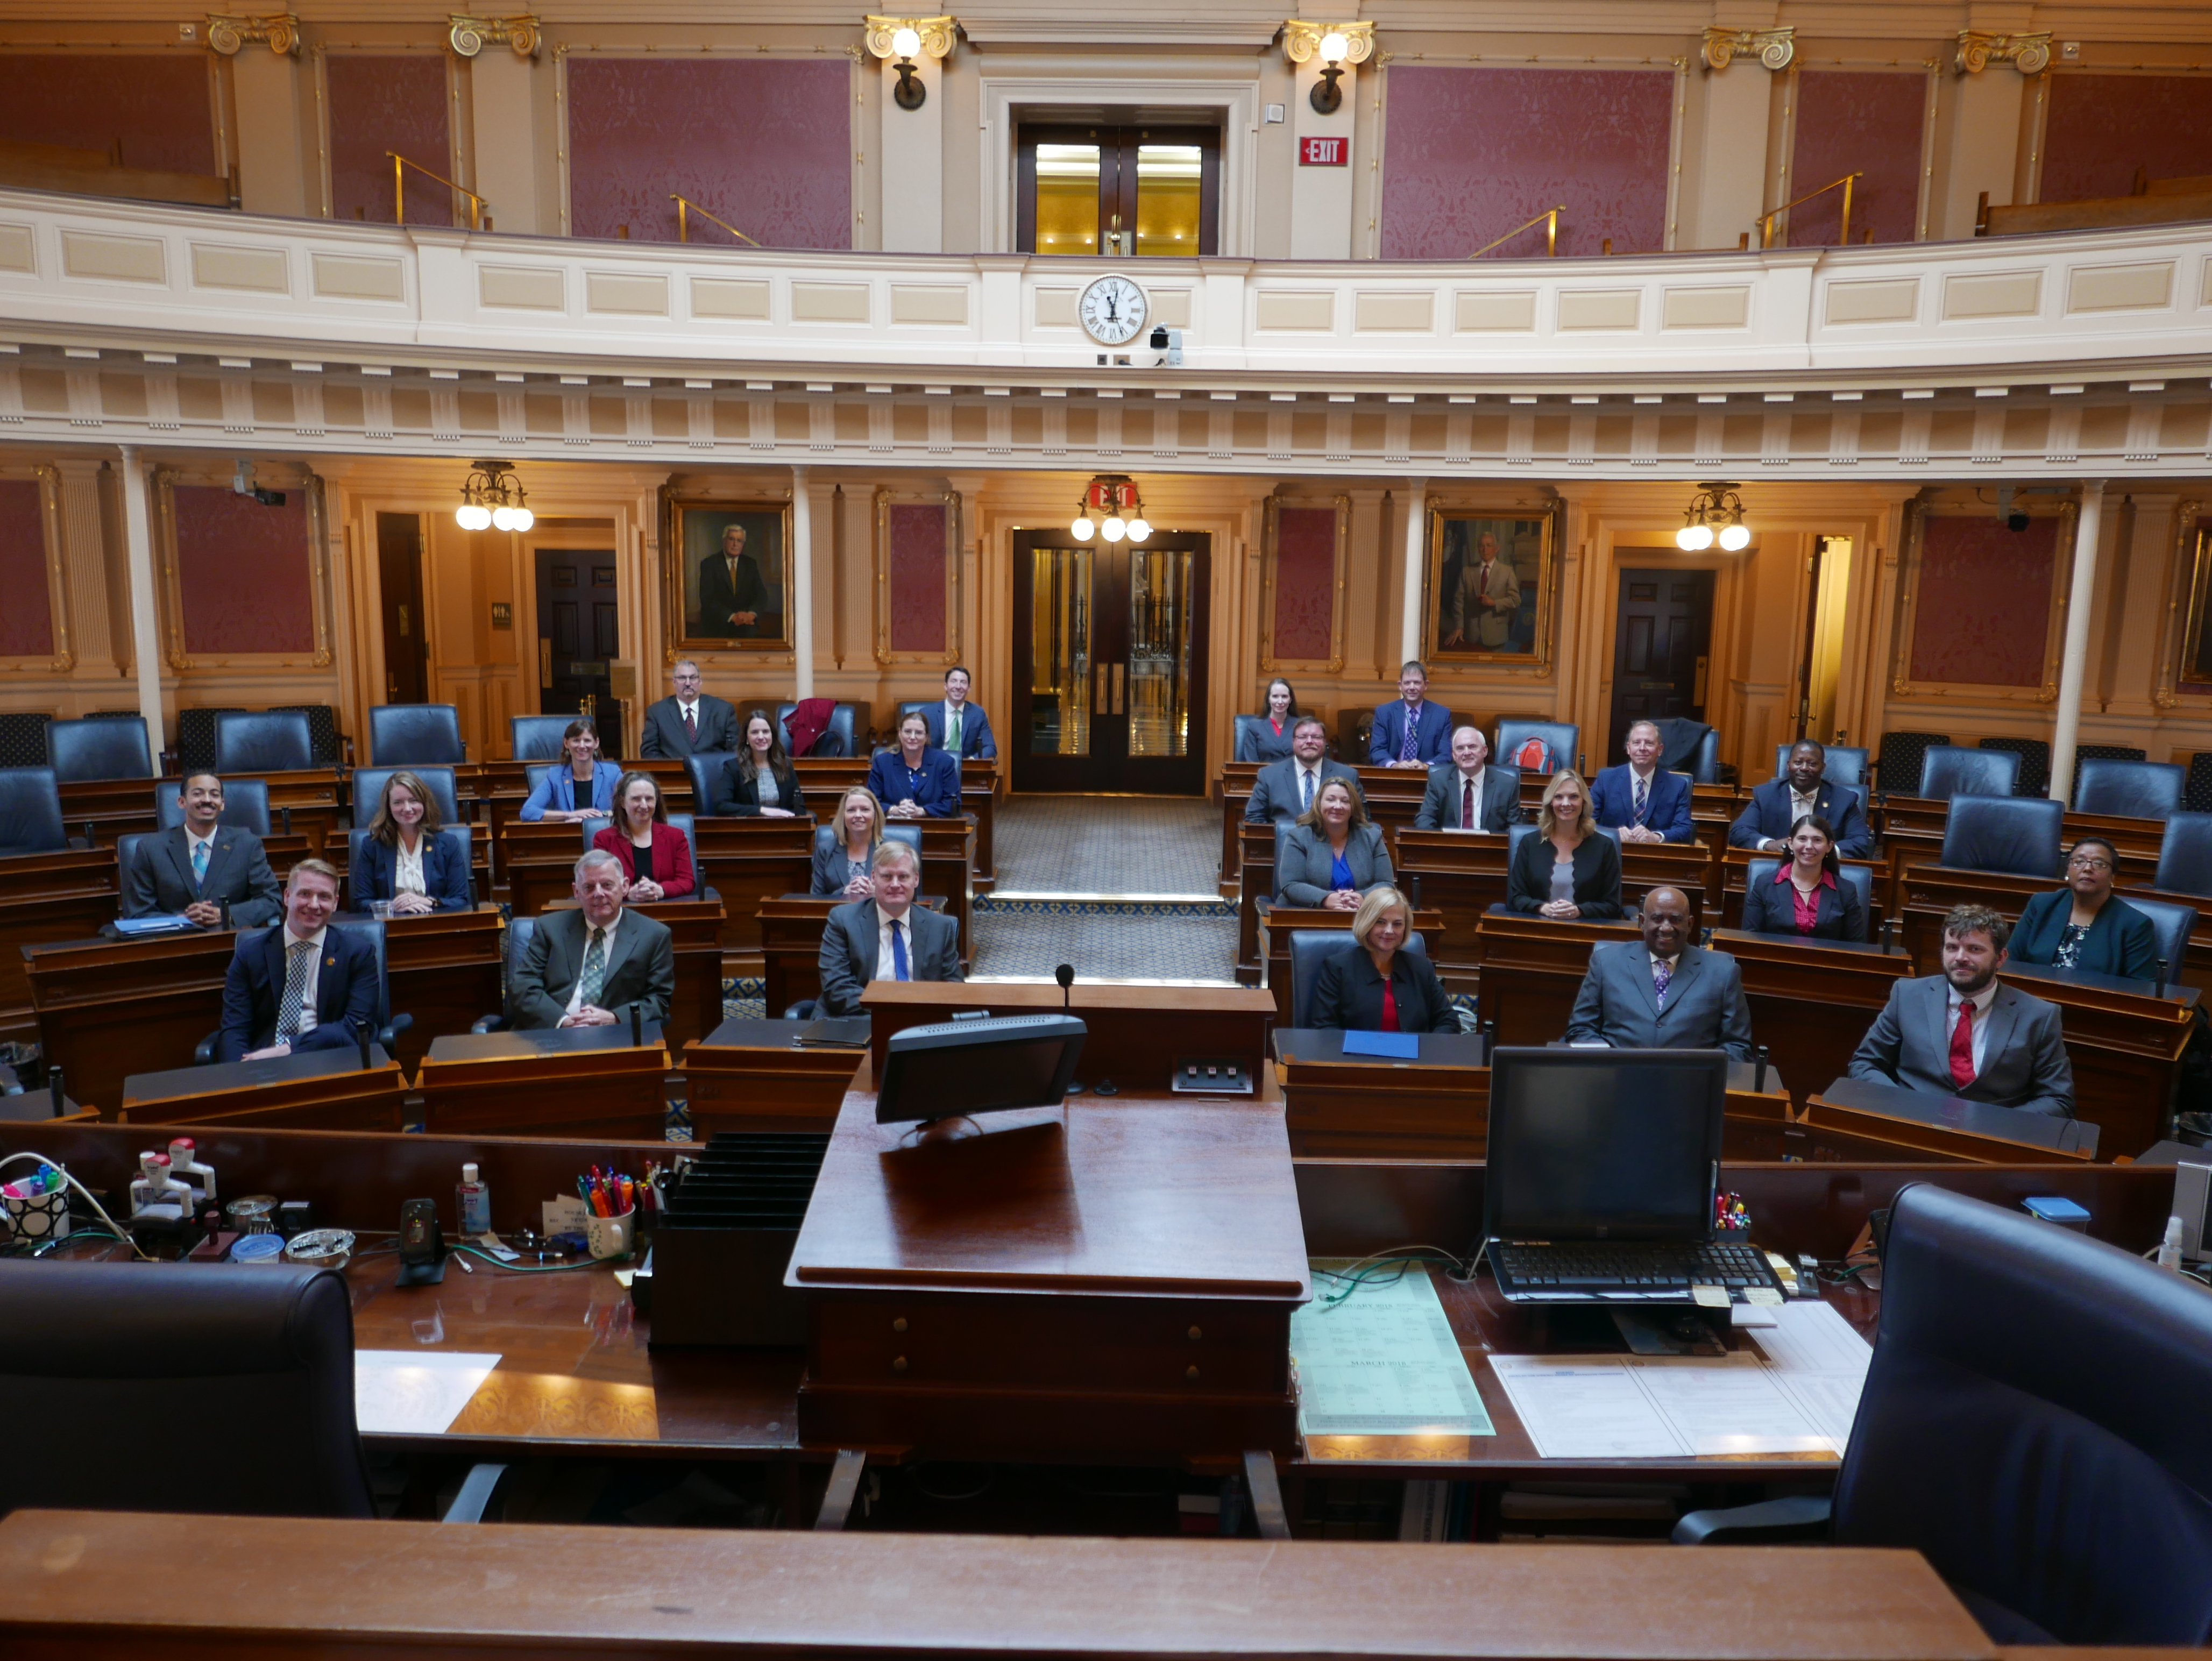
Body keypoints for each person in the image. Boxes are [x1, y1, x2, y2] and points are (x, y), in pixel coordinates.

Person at [1848, 904, 2075, 1117]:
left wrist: (1997, 1125)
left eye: (1974, 949)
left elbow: (2058, 1099)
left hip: (1990, 1141)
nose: (1960, 958)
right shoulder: (1907, 995)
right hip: (1911, 1124)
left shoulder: (2039, 1016)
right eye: (1952, 948)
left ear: (2000, 958)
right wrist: (1904, 1104)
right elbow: (1864, 1064)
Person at [216, 860, 379, 1062]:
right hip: (262, 1064)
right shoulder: (250, 953)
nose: (314, 905)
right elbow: (235, 1029)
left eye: (324, 897)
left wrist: (288, 1049)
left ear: (336, 903)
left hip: (330, 1060)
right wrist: (239, 1071)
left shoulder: (358, 953)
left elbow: (356, 1026)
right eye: (305, 894)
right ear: (287, 896)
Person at [1566, 886, 1754, 1059]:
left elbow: (1737, 1045)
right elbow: (1581, 1028)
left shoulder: (1723, 972)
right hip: (1615, 1079)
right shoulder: (1606, 962)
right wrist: (1609, 1063)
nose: (1666, 928)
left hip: (1689, 1085)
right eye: (1657, 919)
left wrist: (1701, 1071)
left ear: (1690, 924)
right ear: (1642, 922)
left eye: (1675, 920)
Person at [511, 849, 675, 1031]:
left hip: (616, 1036)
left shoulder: (654, 935)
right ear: (577, 891)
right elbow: (523, 985)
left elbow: (658, 999)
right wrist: (562, 1021)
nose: (599, 893)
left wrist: (615, 1018)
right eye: (589, 887)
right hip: (552, 1033)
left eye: (607, 885)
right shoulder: (549, 929)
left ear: (625, 886)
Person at [817, 841, 962, 1016]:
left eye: (903, 877)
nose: (895, 884)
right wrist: (894, 1008)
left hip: (919, 1021)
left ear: (916, 879)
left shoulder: (941, 927)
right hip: (858, 1018)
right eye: (887, 876)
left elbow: (954, 989)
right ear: (873, 877)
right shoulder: (843, 920)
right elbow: (837, 989)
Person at [124, 772, 281, 928]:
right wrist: (181, 920)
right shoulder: (151, 849)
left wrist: (226, 914)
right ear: (182, 802)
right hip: (174, 943)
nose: (207, 800)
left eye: (214, 795)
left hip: (231, 941)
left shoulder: (247, 844)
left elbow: (271, 900)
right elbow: (139, 912)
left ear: (222, 803)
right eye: (198, 794)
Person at [1309, 885, 1458, 1034]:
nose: (1389, 931)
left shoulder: (1421, 968)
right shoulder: (1337, 968)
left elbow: (1448, 1020)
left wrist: (1426, 1051)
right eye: (1380, 922)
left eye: (1397, 924)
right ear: (1367, 923)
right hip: (1356, 1056)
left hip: (1413, 1056)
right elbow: (1324, 1027)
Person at [2008, 836, 2159, 979]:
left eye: (2100, 864)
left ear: (2112, 877)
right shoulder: (2042, 905)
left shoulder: (2135, 925)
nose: (2087, 868)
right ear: (2068, 870)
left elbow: (2141, 988)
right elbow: (2011, 961)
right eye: (2079, 861)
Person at [1507, 769, 1623, 919]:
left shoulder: (1604, 846)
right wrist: (1544, 908)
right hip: (1536, 928)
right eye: (1559, 797)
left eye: (1574, 797)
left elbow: (1613, 904)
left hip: (1586, 931)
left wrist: (1579, 911)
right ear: (1551, 802)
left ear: (1584, 801)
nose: (1566, 803)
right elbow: (1516, 898)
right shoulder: (1529, 843)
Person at [1728, 740, 1872, 860]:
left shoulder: (1844, 800)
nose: (1804, 768)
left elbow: (1862, 842)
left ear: (1823, 768)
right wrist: (1769, 845)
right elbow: (1739, 831)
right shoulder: (1766, 795)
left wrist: (1822, 851)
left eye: (1812, 764)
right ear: (1788, 765)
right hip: (1775, 869)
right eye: (1798, 762)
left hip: (1824, 871)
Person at [352, 769, 469, 914]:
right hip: (390, 927)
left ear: (425, 803)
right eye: (398, 802)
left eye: (414, 800)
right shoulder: (372, 845)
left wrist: (429, 902)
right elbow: (361, 902)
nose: (407, 809)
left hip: (438, 925)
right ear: (388, 807)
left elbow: (461, 900)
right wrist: (394, 907)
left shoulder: (448, 843)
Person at [1740, 815, 1868, 942]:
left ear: (1829, 846)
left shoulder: (1846, 890)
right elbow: (1750, 937)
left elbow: (1856, 945)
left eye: (1817, 840)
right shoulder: (1764, 885)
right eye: (1802, 839)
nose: (1809, 846)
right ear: (1790, 843)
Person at [1276, 778, 1394, 910]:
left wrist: (1363, 898)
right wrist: (1326, 899)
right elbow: (1291, 884)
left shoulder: (1372, 838)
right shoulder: (1299, 837)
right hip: (1308, 915)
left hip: (1362, 915)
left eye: (1345, 801)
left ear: (1353, 807)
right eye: (1331, 800)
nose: (1338, 806)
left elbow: (1386, 884)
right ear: (1319, 804)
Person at [591, 770, 694, 901]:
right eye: (636, 799)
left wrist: (660, 890)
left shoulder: (676, 836)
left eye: (649, 799)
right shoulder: (604, 839)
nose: (644, 805)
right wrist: (628, 893)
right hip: (622, 912)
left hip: (667, 909)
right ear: (623, 802)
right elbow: (598, 883)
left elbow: (687, 881)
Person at [1590, 719, 1693, 843]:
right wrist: (1614, 834)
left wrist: (1656, 837)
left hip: (1654, 857)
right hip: (1612, 853)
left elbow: (1685, 829)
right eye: (1637, 743)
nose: (1642, 748)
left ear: (1660, 750)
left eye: (1649, 743)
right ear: (1629, 748)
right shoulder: (1606, 779)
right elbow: (1587, 822)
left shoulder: (1677, 786)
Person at [1244, 716, 1357, 823]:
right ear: (1293, 742)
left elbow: (1360, 820)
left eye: (1316, 737)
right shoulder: (1269, 776)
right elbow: (1254, 819)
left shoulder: (1348, 775)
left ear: (1324, 742)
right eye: (1303, 737)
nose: (1309, 741)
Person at [1413, 725, 1521, 833]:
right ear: (1454, 755)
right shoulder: (1439, 780)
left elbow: (1514, 829)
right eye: (1460, 748)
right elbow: (1425, 819)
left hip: (1490, 847)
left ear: (1485, 751)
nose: (1466, 753)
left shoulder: (1507, 784)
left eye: (1472, 747)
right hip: (1449, 846)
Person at [519, 720, 622, 822]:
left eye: (587, 741)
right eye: (576, 740)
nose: (582, 746)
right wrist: (570, 815)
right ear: (566, 743)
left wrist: (601, 815)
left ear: (596, 743)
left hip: (604, 834)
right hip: (570, 835)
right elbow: (527, 812)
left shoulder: (613, 773)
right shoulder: (555, 776)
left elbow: (629, 809)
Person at [866, 710, 961, 818]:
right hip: (893, 827)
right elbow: (870, 801)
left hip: (932, 827)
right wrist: (894, 810)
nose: (912, 737)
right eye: (907, 731)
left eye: (919, 733)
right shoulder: (883, 762)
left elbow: (953, 804)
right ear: (900, 734)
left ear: (926, 737)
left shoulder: (944, 763)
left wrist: (922, 811)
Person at [639, 659, 738, 760]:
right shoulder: (657, 712)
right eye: (682, 678)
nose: (688, 683)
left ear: (700, 681)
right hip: (672, 774)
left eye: (693, 678)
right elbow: (649, 752)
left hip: (714, 773)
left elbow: (735, 749)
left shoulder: (723, 710)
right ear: (674, 682)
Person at [1440, 530, 1521, 650]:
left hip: (1496, 636)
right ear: (1478, 549)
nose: (1485, 549)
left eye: (1489, 546)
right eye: (1482, 546)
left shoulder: (1507, 572)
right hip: (1471, 635)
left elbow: (1516, 600)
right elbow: (1459, 602)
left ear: (1497, 548)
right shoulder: (1467, 571)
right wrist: (1459, 626)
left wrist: (1494, 603)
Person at [714, 711, 804, 817]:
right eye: (755, 732)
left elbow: (799, 807)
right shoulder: (733, 767)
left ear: (772, 736)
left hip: (782, 828)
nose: (761, 737)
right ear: (747, 738)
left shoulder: (785, 766)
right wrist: (761, 811)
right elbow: (721, 806)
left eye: (766, 732)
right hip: (748, 829)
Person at [1369, 661, 1452, 768]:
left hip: (1429, 779)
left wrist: (1426, 766)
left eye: (1417, 683)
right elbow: (1377, 751)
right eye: (1407, 683)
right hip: (1393, 777)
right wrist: (1394, 765)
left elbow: (1446, 755)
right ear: (1400, 686)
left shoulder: (1442, 715)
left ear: (1426, 685)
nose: (1412, 687)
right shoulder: (1384, 713)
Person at [813, 786, 889, 898]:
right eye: (851, 810)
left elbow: (906, 896)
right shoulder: (825, 850)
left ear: (875, 814)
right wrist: (844, 892)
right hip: (837, 913)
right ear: (843, 815)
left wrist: (877, 893)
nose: (858, 815)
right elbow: (816, 898)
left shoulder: (891, 850)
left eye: (865, 810)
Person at [698, 522, 767, 640]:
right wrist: (732, 617)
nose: (735, 544)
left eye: (739, 541)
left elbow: (761, 594)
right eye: (731, 539)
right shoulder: (709, 564)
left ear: (743, 544)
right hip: (719, 624)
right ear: (724, 541)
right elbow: (707, 598)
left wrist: (751, 614)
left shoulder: (750, 564)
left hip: (746, 625)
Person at [920, 665, 997, 761]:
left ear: (969, 688)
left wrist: (972, 760)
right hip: (935, 768)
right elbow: (918, 746)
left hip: (966, 769)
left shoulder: (978, 714)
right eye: (954, 681)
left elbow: (990, 748)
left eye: (963, 682)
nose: (958, 687)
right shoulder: (928, 713)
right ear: (946, 686)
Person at [1237, 678, 1301, 763]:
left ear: (1290, 700)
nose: (1280, 701)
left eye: (1284, 697)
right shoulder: (1254, 726)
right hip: (1264, 775)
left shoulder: (1301, 726)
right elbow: (1252, 763)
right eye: (1275, 696)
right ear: (1268, 699)